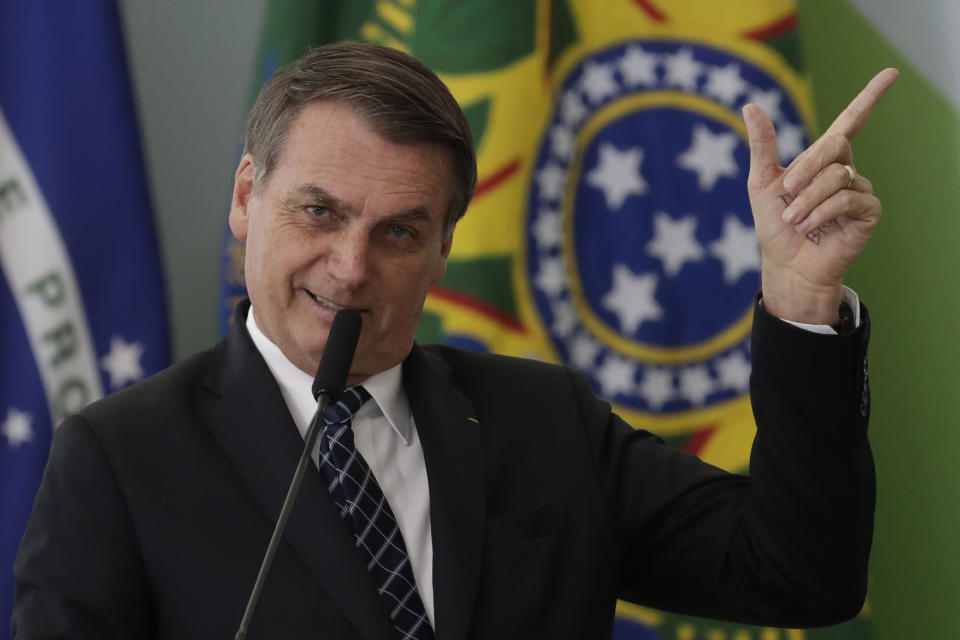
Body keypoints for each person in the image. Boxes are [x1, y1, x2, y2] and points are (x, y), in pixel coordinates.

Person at [12, 43, 894, 639]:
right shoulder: (121, 459)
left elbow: (799, 578)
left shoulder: (545, 419)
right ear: (248, 197)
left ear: (442, 250)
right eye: (319, 212)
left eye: (398, 233)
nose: (351, 268)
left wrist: (800, 297)